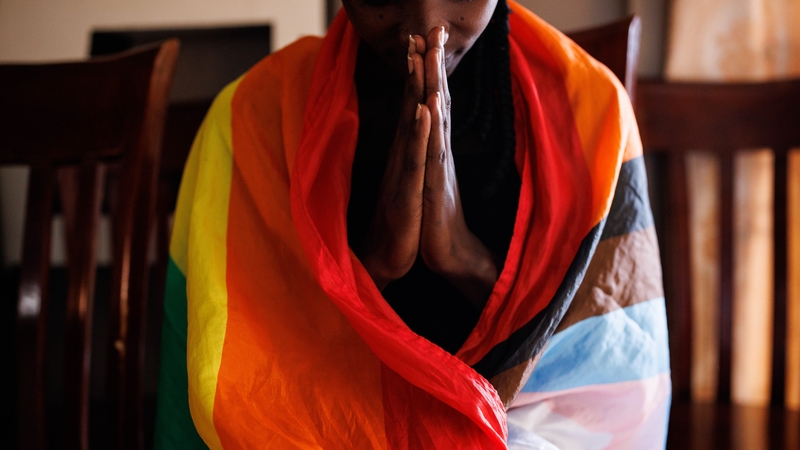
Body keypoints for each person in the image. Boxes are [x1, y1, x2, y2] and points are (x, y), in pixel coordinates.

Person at [154, 1, 672, 448]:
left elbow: (609, 392)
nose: (426, 26)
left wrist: (465, 261)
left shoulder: (591, 113)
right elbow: (241, 385)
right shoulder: (251, 119)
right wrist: (373, 268)